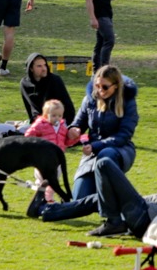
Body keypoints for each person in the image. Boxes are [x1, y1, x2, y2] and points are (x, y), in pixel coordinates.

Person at [32, 66, 139, 222]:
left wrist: (95, 146)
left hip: (119, 150)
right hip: (92, 153)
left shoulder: (128, 102)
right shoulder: (90, 99)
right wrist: (73, 130)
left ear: (116, 86)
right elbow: (79, 122)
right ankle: (50, 209)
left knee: (105, 158)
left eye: (105, 87)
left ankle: (112, 214)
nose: (100, 90)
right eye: (97, 85)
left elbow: (123, 135)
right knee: (79, 199)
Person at [19, 52, 74, 122]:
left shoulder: (55, 81)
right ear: (31, 68)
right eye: (39, 66)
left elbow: (68, 107)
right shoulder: (25, 84)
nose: (44, 69)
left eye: (45, 65)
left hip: (58, 121)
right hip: (38, 122)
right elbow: (29, 107)